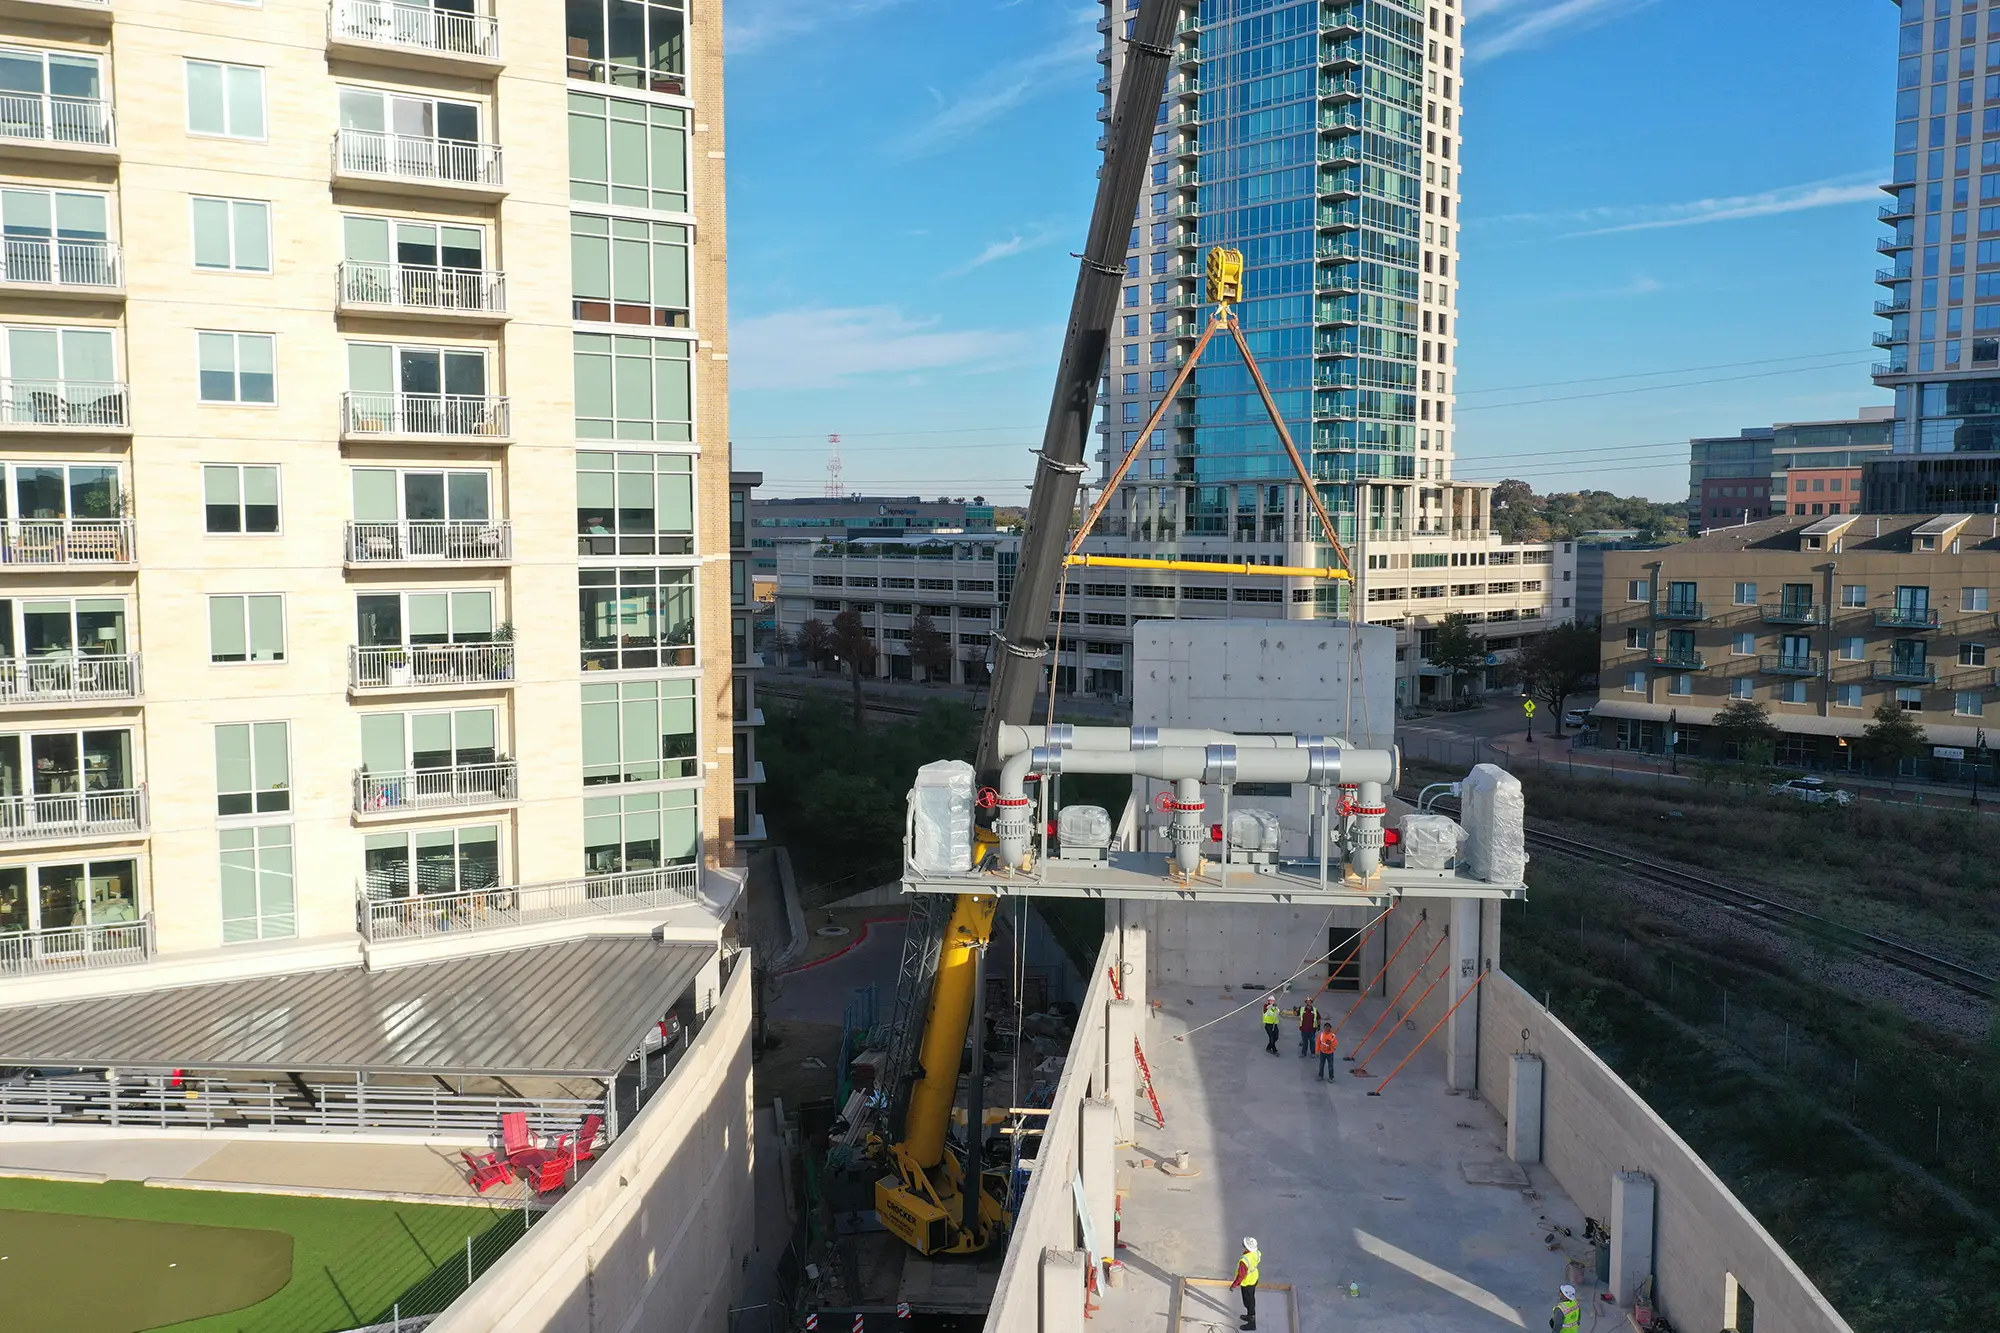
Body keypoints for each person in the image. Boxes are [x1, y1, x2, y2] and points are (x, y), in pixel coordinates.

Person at [1230, 1236, 1262, 1329]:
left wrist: (1234, 1285)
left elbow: (1241, 1275)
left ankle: (1252, 1324)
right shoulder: (1256, 1253)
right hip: (1254, 1278)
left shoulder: (1244, 1261)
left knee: (1249, 1301)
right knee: (1251, 1299)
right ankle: (1249, 1316)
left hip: (1247, 1282)